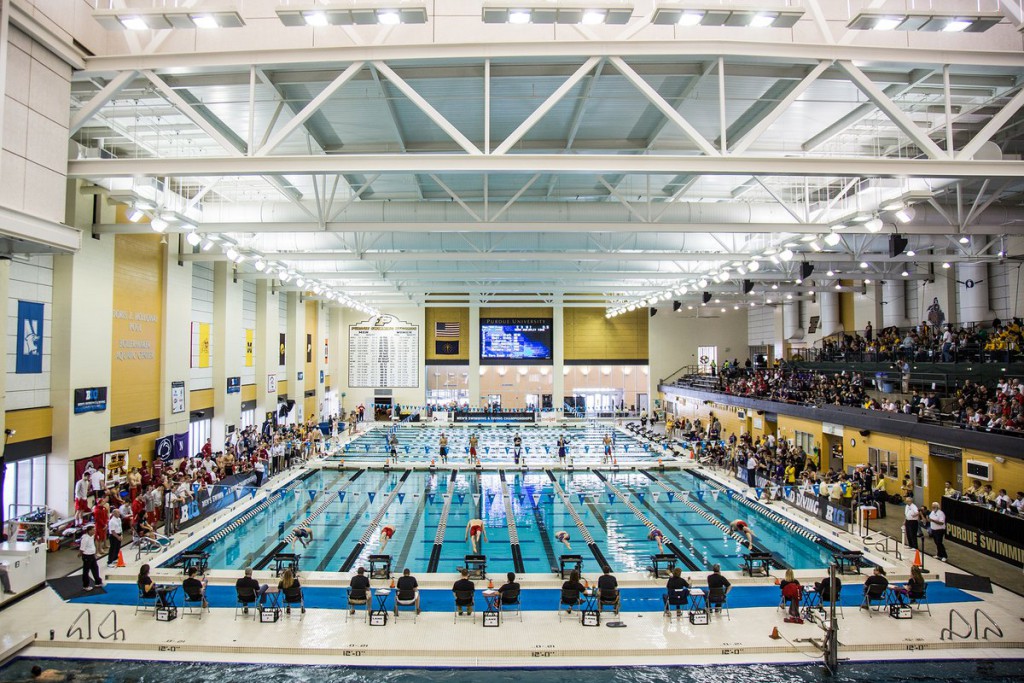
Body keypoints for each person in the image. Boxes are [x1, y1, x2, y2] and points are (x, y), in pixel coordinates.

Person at [79, 525, 102, 592]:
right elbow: (82, 548)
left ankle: (98, 582)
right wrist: (80, 554)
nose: (94, 531)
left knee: (95, 568)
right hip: (87, 556)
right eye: (93, 530)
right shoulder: (85, 538)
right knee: (86, 571)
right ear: (89, 531)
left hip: (92, 555)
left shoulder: (92, 536)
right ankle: (85, 585)